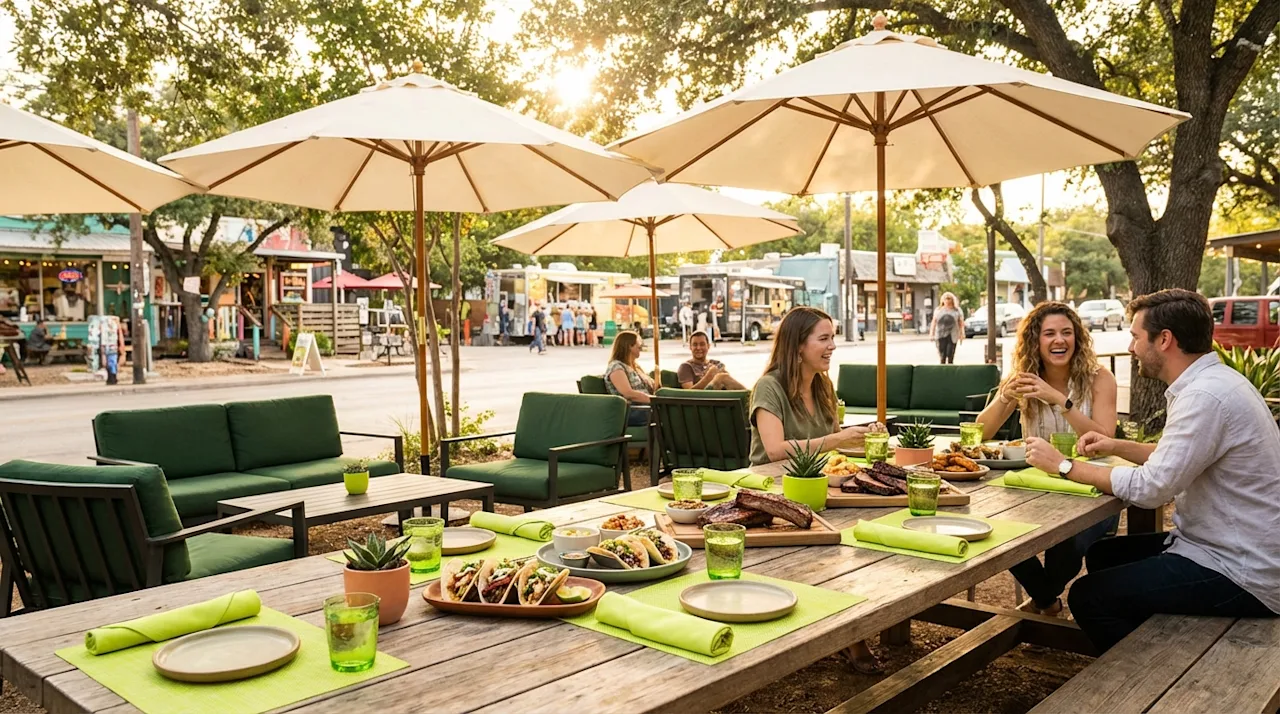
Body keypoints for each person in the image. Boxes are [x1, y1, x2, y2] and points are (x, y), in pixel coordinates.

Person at [1022, 289, 1280, 652]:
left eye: (1135, 337)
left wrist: (1063, 465)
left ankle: (1160, 671)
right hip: (1230, 548)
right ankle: (1157, 637)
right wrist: (1115, 446)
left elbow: (1152, 488)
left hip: (1243, 571)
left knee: (1088, 596)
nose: (1131, 347)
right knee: (1102, 556)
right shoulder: (1213, 383)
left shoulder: (1203, 397)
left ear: (1164, 340)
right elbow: (1175, 456)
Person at [748, 306, 883, 672]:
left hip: (819, 487)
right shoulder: (769, 387)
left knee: (870, 536)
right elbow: (774, 449)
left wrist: (864, 438)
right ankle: (851, 637)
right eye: (824, 339)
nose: (832, 346)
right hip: (771, 493)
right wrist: (838, 438)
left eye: (832, 338)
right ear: (797, 346)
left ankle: (852, 625)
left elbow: (831, 446)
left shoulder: (822, 385)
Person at [975, 302, 1118, 616]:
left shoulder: (1099, 379)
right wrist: (1005, 397)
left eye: (1067, 333)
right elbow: (979, 433)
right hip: (1033, 490)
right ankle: (1046, 600)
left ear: (1077, 339)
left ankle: (1042, 600)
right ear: (1035, 341)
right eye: (1049, 333)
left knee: (1065, 543)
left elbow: (1105, 441)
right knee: (997, 532)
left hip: (1093, 491)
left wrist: (1060, 401)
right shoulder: (1024, 379)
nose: (1059, 340)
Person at [604, 330, 657, 426]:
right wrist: (656, 401)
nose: (641, 347)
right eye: (638, 344)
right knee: (670, 414)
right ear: (629, 346)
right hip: (632, 410)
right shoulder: (616, 367)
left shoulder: (635, 366)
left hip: (646, 407)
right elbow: (628, 393)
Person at [677, 331, 745, 390]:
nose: (698, 348)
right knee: (721, 377)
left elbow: (730, 383)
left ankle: (750, 396)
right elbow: (688, 393)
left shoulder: (715, 363)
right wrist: (709, 376)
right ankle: (751, 398)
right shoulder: (686, 367)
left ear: (708, 346)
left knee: (723, 376)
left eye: (702, 344)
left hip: (722, 398)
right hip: (705, 400)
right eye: (695, 345)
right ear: (690, 347)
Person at [929, 292, 964, 364]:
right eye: (945, 299)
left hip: (952, 334)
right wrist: (931, 334)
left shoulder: (957, 310)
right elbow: (934, 322)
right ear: (942, 300)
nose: (947, 301)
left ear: (952, 300)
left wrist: (962, 333)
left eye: (949, 299)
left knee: (950, 353)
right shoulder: (938, 310)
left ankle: (950, 370)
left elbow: (961, 323)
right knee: (942, 355)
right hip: (940, 334)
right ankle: (942, 371)